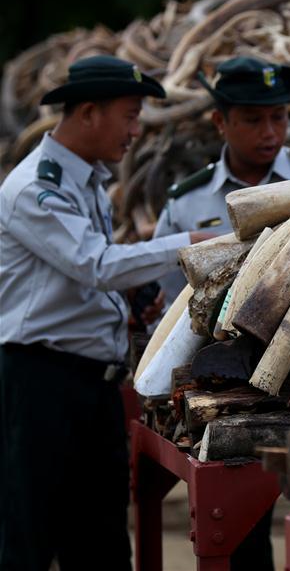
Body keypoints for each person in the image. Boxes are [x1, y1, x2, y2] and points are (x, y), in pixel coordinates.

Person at [0, 55, 214, 570]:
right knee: (28, 541)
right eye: (131, 115)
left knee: (99, 543)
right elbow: (94, 264)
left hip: (90, 387)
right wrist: (189, 244)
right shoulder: (38, 186)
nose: (137, 131)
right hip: (41, 384)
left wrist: (128, 303)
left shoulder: (87, 179)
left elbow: (77, 280)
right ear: (89, 113)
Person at [153, 56, 290, 309]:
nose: (270, 132)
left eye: (279, 117)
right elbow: (174, 301)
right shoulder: (186, 203)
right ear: (220, 122)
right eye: (253, 120)